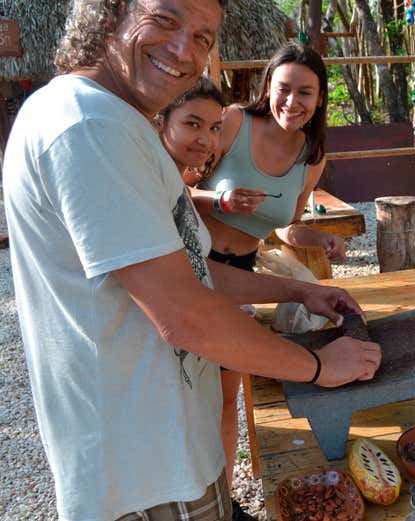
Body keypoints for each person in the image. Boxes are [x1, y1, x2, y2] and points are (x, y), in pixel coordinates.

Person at [2, 2, 381, 521]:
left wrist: (299, 292)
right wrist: (317, 366)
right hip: (143, 473)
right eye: (164, 19)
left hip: (168, 453)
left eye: (203, 37)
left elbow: (193, 272)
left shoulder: (114, 121)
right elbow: (183, 316)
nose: (186, 51)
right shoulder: (89, 127)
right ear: (107, 13)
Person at [184, 42, 346, 512]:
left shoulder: (311, 157)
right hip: (191, 261)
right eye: (284, 89)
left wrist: (321, 241)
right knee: (185, 386)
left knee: (226, 395)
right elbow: (170, 187)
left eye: (305, 93)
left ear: (319, 100)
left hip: (242, 274)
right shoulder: (233, 122)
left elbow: (286, 224)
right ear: (267, 88)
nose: (292, 103)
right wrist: (219, 203)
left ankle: (222, 499)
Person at [156, 77, 258, 520]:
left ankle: (225, 499)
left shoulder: (175, 182)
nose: (206, 139)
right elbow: (176, 297)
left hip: (203, 331)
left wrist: (298, 289)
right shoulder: (154, 185)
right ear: (162, 122)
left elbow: (203, 272)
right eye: (192, 124)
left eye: (215, 127)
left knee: (219, 411)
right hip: (172, 354)